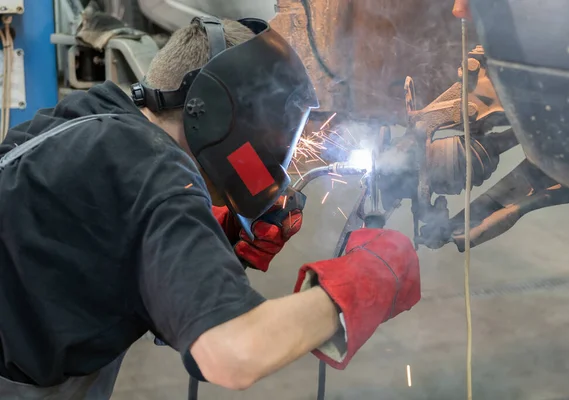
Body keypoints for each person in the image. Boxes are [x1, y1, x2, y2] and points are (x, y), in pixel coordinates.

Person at [0, 16, 420, 399]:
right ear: (219, 112)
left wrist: (210, 235)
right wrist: (364, 282)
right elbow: (233, 353)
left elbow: (104, 239)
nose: (276, 166)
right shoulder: (156, 174)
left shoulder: (95, 117)